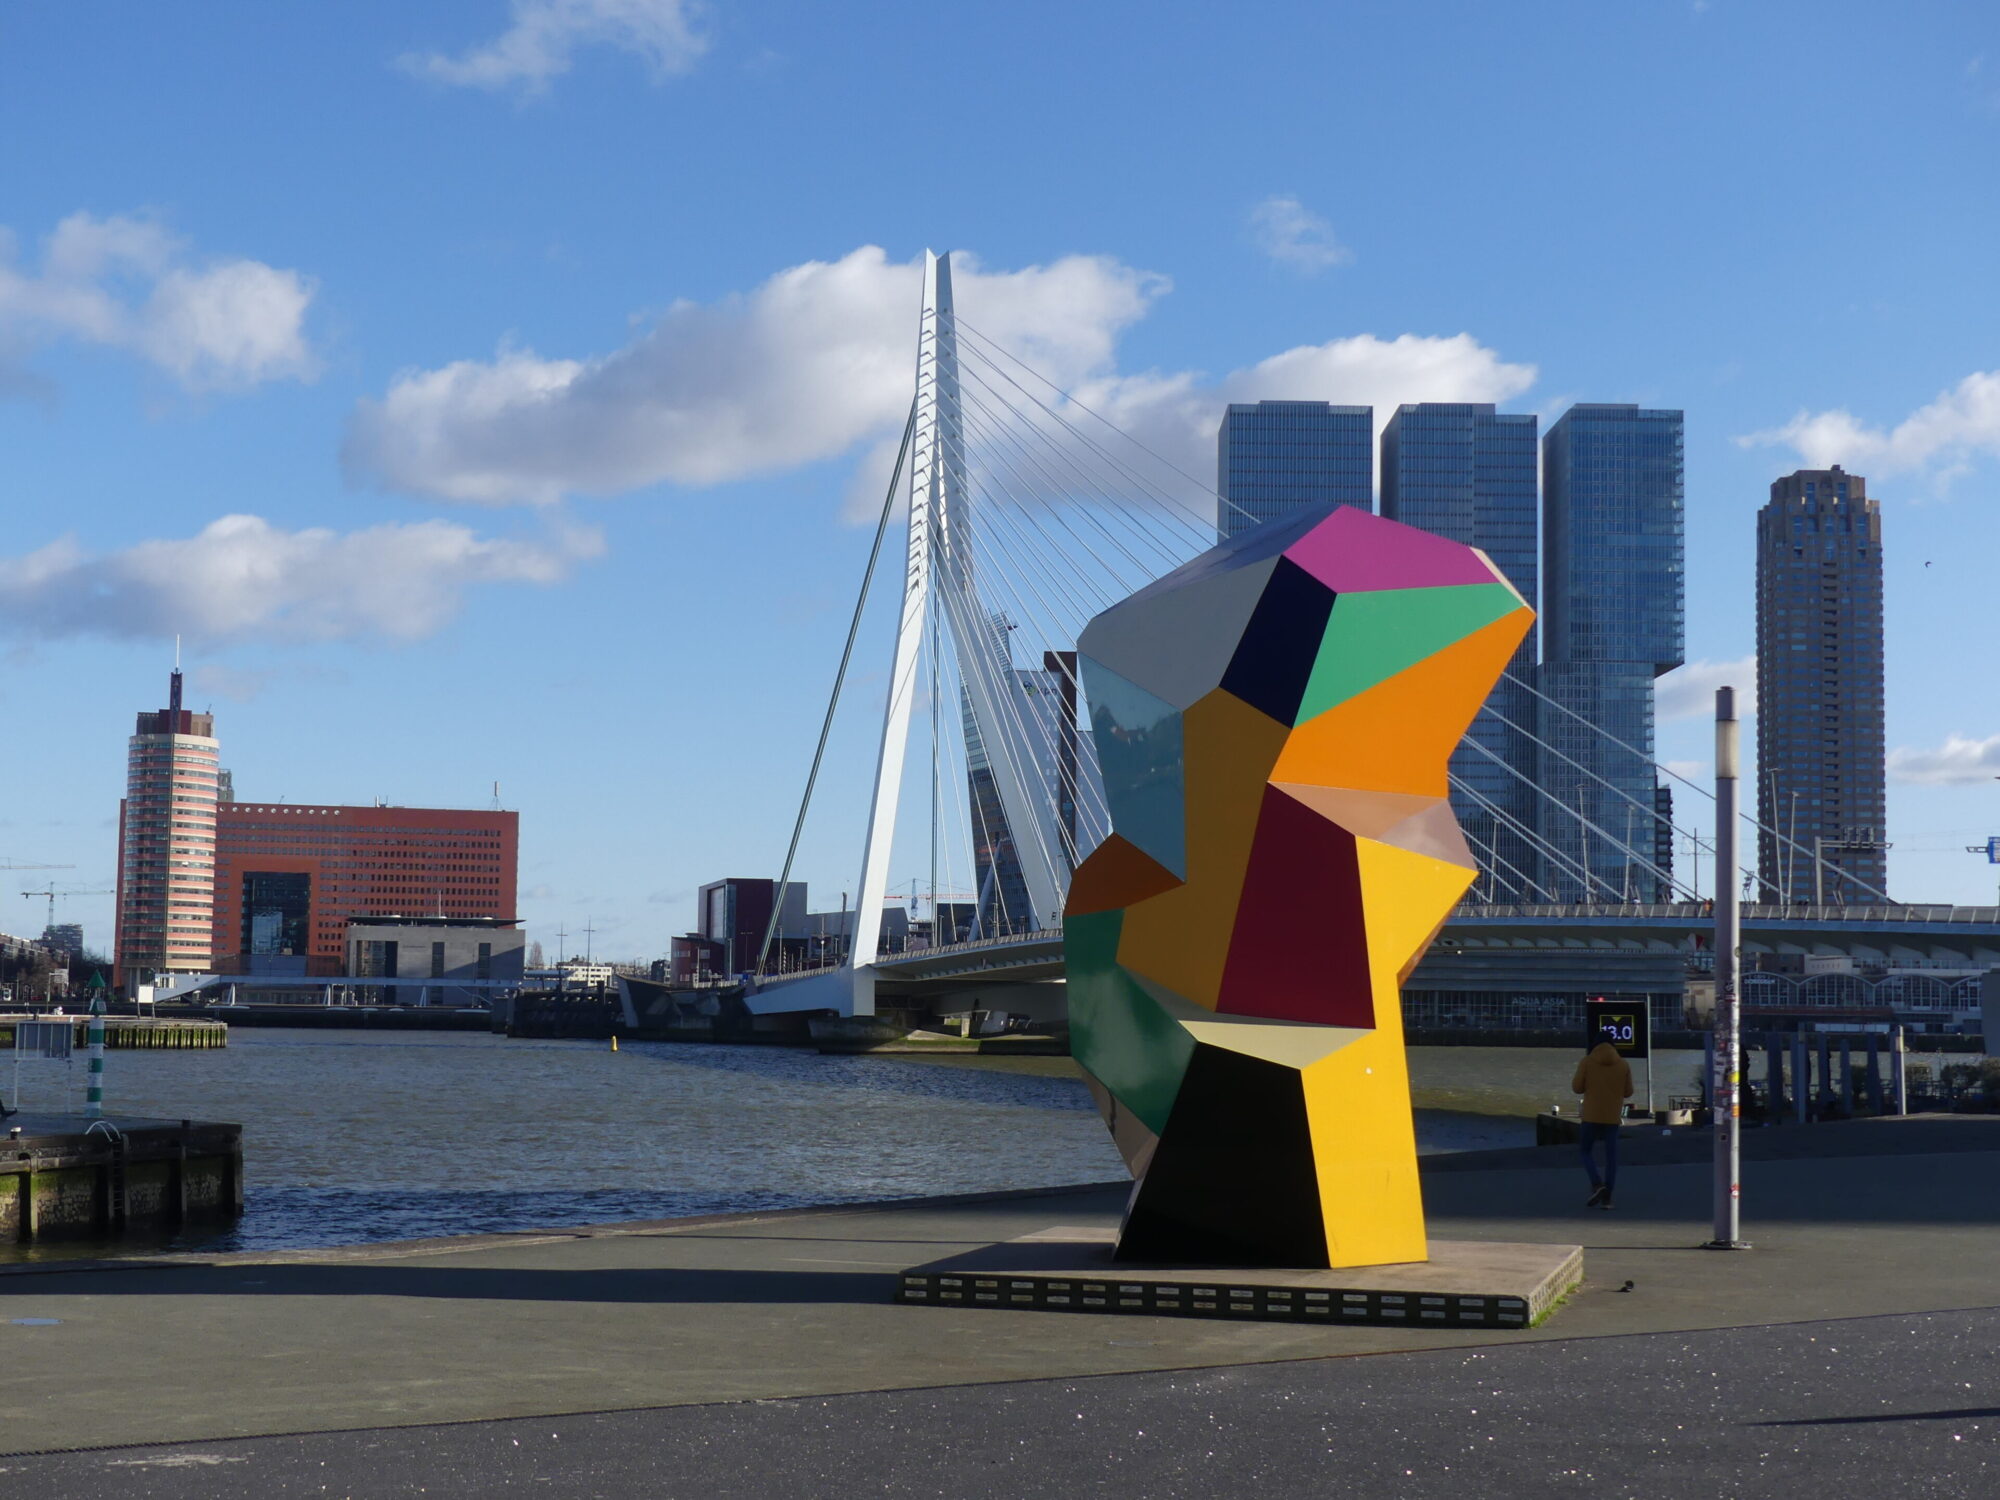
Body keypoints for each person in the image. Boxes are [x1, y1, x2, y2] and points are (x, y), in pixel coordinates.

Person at [1571, 1040, 1634, 1209]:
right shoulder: (1623, 1064)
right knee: (1611, 1158)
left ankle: (1597, 1184)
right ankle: (1608, 1199)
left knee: (1585, 1151)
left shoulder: (1587, 1061)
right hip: (1612, 1117)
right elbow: (1629, 1092)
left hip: (1591, 1116)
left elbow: (1577, 1088)